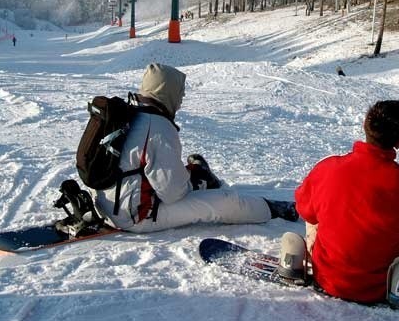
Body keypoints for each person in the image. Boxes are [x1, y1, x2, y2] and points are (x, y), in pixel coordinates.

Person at [93, 63, 298, 232]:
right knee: (224, 201)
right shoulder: (158, 126)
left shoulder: (129, 115)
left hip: (107, 205)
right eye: (179, 94)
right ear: (166, 92)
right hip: (134, 216)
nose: (180, 101)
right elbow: (172, 193)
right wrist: (193, 184)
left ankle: (199, 177)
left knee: (182, 177)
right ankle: (272, 209)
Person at [289, 100, 399, 308]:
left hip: (328, 277)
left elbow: (304, 208)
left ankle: (300, 257)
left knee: (317, 210)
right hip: (380, 285)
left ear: (365, 127)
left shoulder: (328, 168)